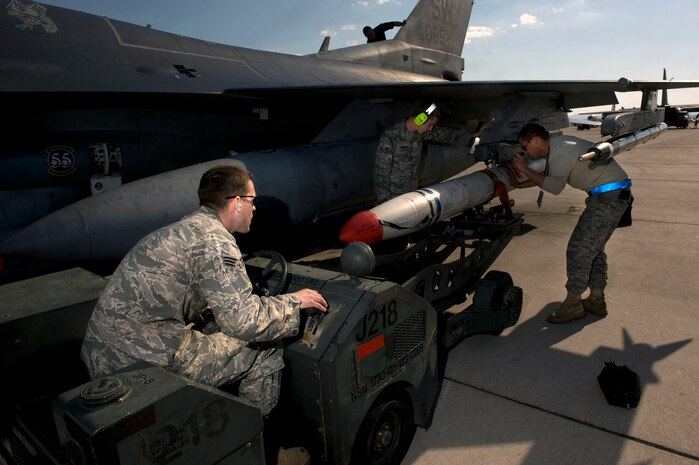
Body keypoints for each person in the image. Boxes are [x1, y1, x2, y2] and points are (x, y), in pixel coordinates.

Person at [81, 164, 327, 465]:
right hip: (141, 362)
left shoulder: (183, 230)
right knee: (264, 346)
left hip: (103, 355)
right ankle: (261, 451)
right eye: (253, 200)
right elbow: (244, 321)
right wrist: (293, 303)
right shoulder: (216, 242)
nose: (254, 208)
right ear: (237, 202)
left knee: (217, 335)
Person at [508, 123, 633, 324]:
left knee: (579, 249)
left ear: (535, 140)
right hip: (613, 194)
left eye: (525, 147)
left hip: (609, 197)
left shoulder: (558, 152)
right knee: (594, 250)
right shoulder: (558, 145)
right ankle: (596, 300)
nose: (526, 152)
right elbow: (550, 177)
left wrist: (523, 168)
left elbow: (555, 186)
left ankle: (573, 303)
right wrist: (519, 184)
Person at [374, 102, 477, 204]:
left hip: (410, 197)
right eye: (430, 124)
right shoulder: (391, 137)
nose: (430, 128)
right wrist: (385, 204)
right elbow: (381, 174)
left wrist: (472, 137)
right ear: (420, 119)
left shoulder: (418, 134)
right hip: (393, 200)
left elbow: (445, 134)